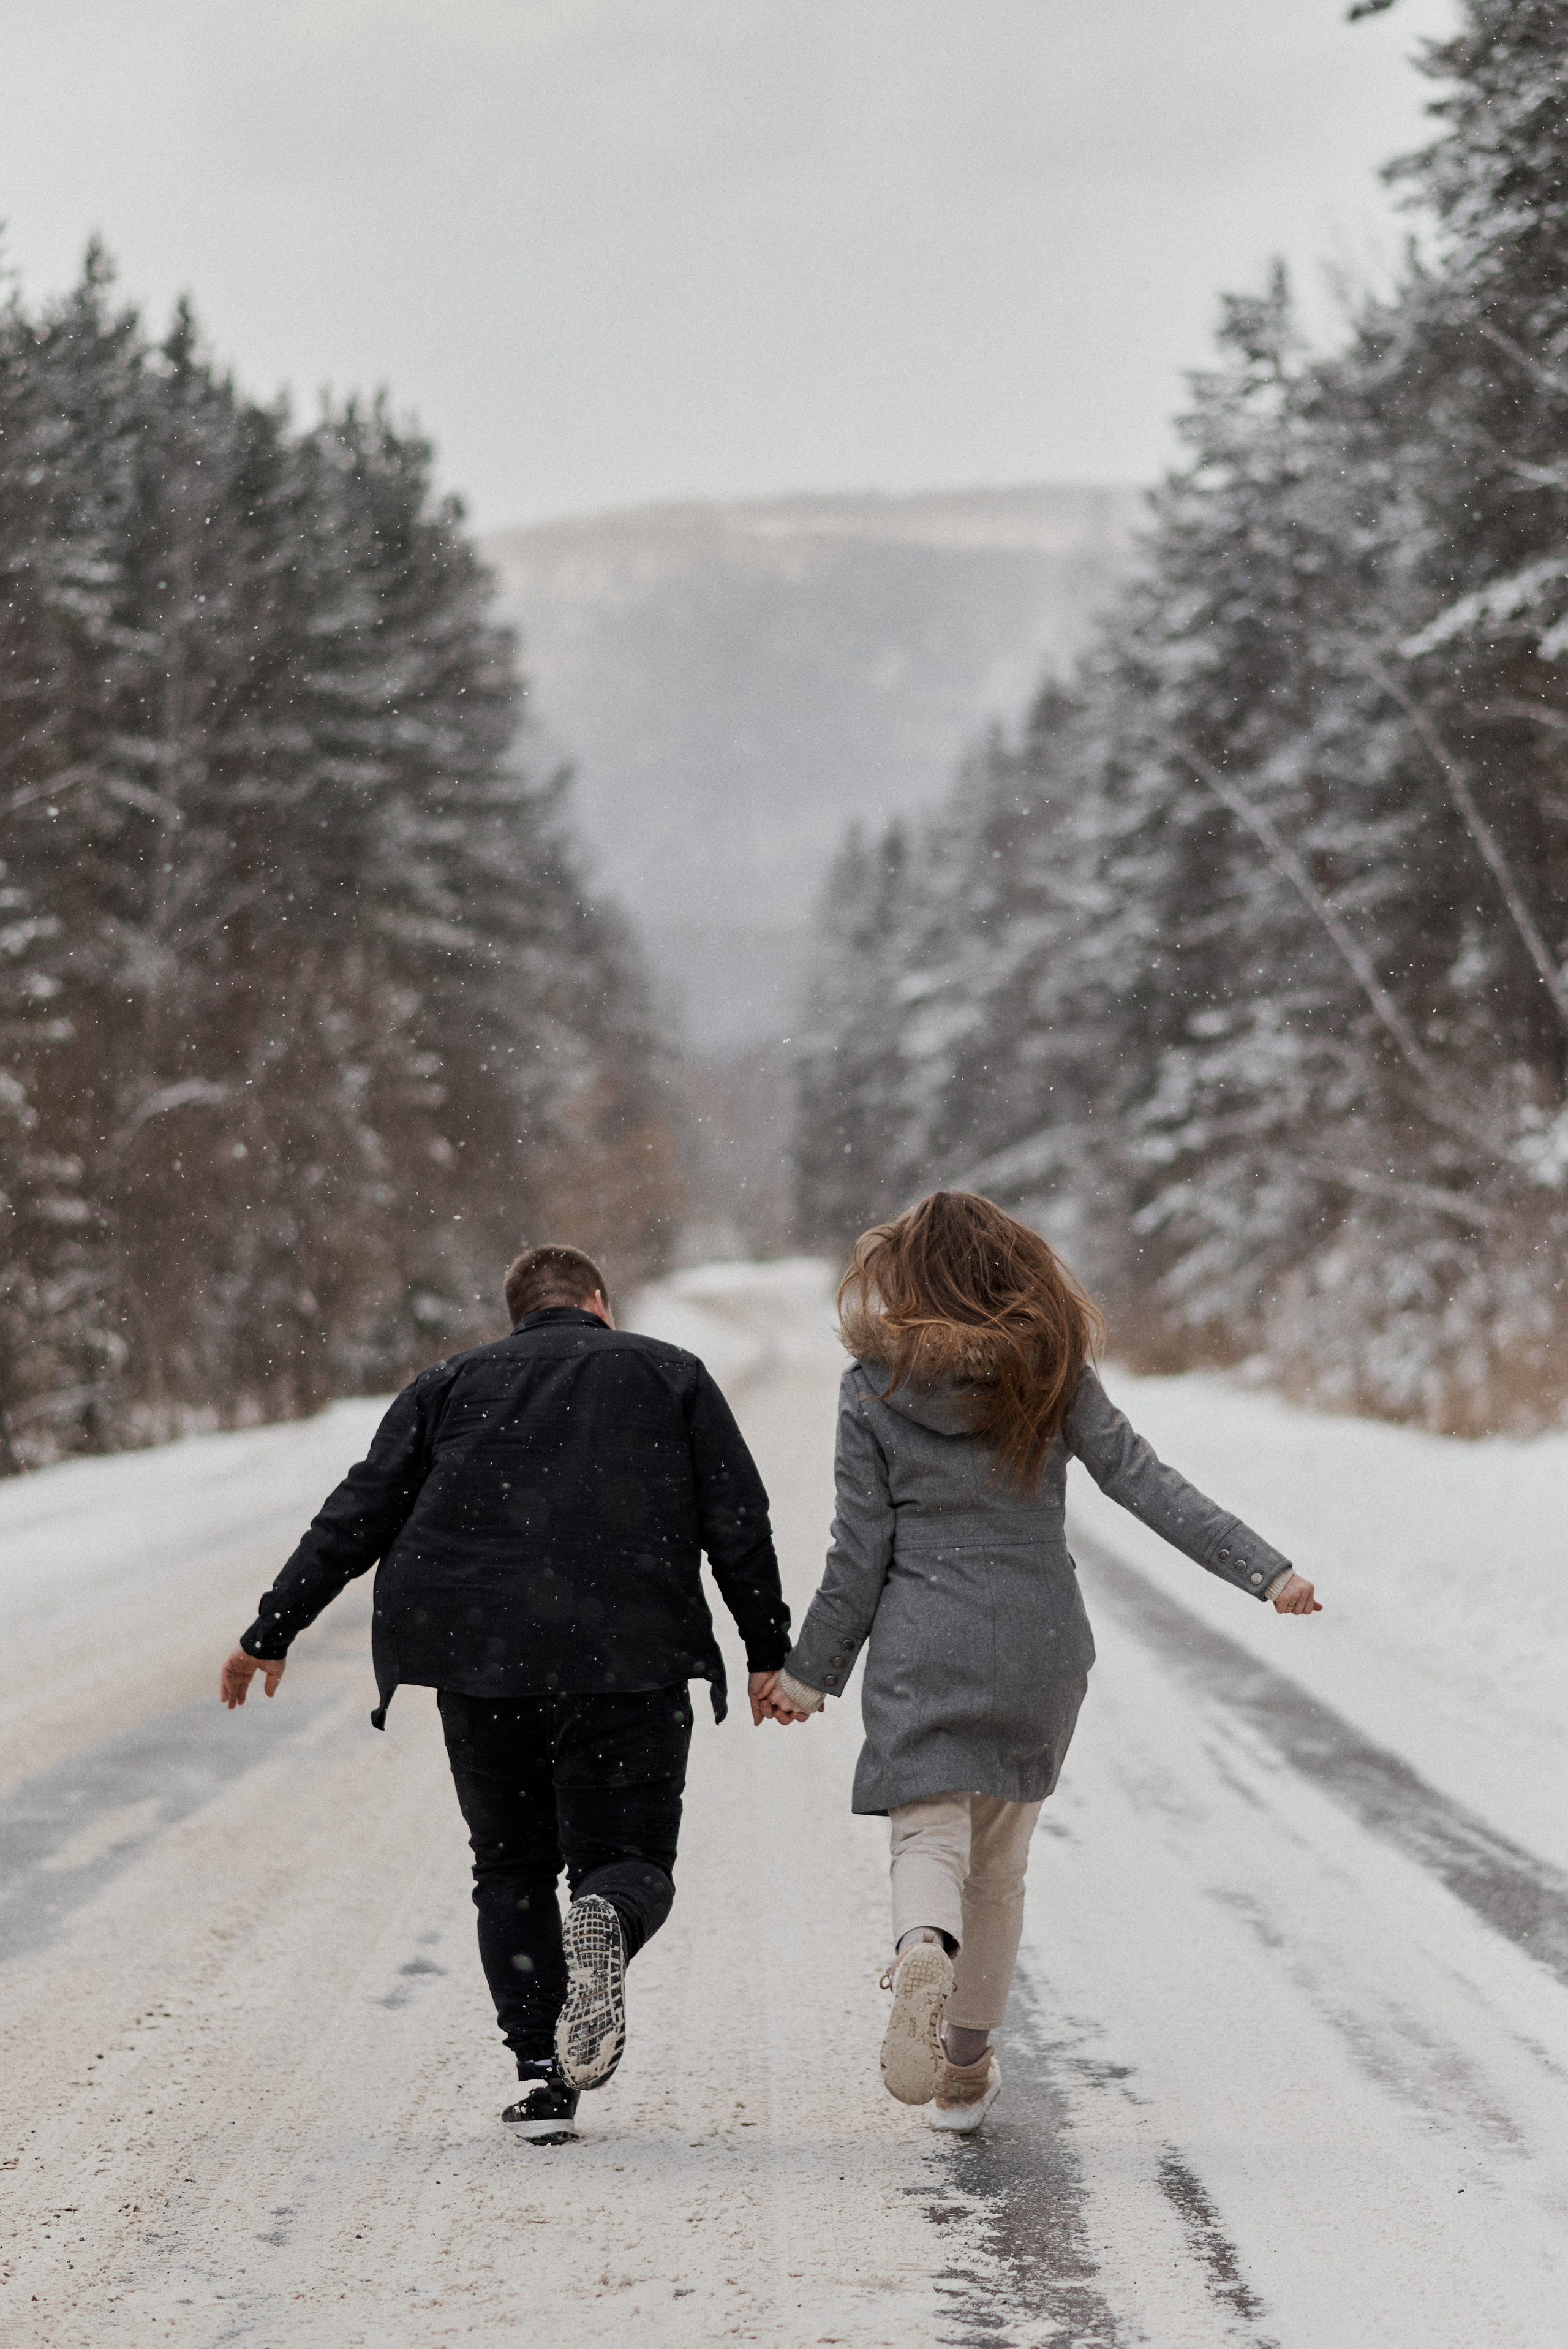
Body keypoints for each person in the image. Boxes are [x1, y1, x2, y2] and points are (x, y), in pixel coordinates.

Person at [756, 1190, 1320, 2134]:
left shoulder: (873, 1385)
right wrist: (1266, 1569)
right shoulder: (1052, 1372)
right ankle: (966, 2069)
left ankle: (921, 1943)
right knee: (1000, 1867)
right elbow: (1147, 1485)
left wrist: (809, 1674)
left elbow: (857, 1552)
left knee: (927, 1836)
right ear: (1011, 1269)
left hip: (922, 1635)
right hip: (1037, 1640)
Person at [219, 1243, 799, 2145]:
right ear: (599, 1301)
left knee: (511, 1866)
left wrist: (272, 1627)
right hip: (628, 1657)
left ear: (515, 1315)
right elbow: (738, 1515)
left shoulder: (449, 1382)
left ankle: (541, 2075)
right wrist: (768, 1647)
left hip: (482, 1659)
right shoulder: (670, 1373)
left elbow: (359, 1510)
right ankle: (605, 1913)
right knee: (627, 1856)